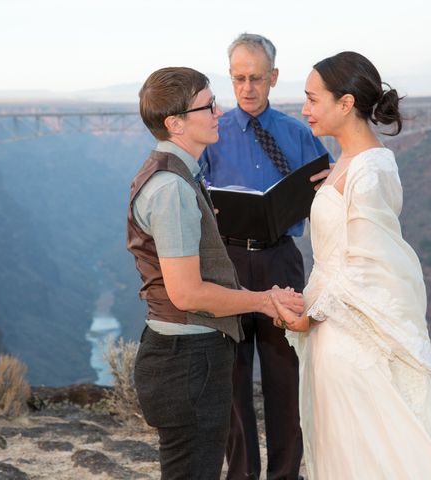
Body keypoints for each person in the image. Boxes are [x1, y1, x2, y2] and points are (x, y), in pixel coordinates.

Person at [270, 52, 431, 479]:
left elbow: (373, 267)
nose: (304, 109)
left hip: (349, 337)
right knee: (344, 445)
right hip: (333, 329)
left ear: (345, 104)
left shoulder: (369, 171)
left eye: (312, 99)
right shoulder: (348, 163)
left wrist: (312, 314)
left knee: (367, 449)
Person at [126, 66, 304, 480]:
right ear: (176, 123)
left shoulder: (175, 175)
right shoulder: (171, 189)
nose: (219, 112)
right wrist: (263, 300)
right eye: (208, 105)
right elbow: (187, 295)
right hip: (187, 362)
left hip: (187, 357)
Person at [200, 33, 330, 480]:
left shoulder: (300, 135)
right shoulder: (211, 135)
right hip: (228, 265)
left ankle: (285, 476)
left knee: (284, 378)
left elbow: (327, 198)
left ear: (273, 77)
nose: (247, 88)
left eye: (257, 78)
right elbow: (196, 198)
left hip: (281, 260)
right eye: (239, 78)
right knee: (232, 381)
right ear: (230, 77)